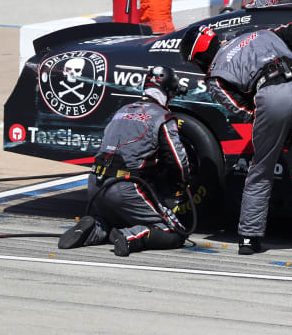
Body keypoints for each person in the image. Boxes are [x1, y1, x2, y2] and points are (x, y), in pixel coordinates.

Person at [178, 20, 292, 266]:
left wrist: (279, 128)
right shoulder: (261, 33)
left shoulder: (215, 75)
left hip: (270, 95)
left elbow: (243, 110)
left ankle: (249, 238)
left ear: (199, 57)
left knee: (261, 169)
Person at [56, 66, 191, 256]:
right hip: (123, 188)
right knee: (175, 232)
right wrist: (183, 181)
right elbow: (177, 161)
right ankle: (131, 237)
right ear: (168, 91)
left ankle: (96, 227)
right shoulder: (163, 116)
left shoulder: (122, 110)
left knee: (122, 216)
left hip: (95, 185)